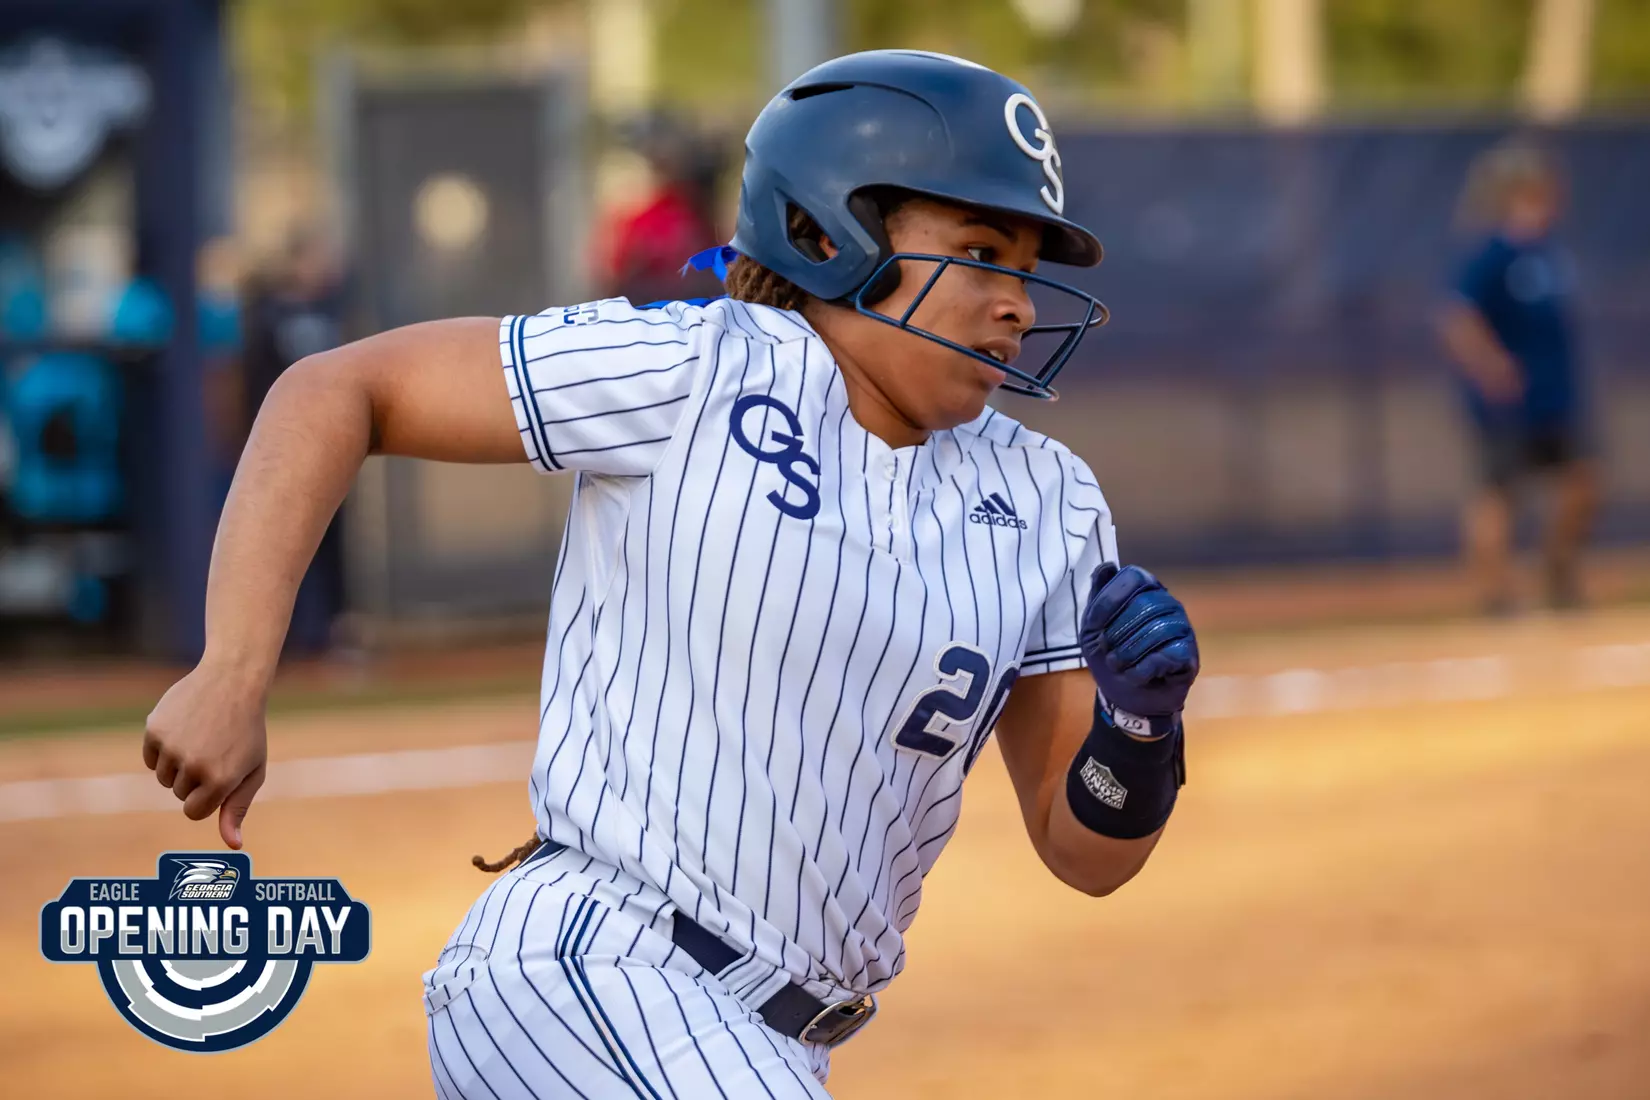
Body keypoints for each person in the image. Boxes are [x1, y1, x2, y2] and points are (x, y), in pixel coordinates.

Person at [141, 51, 1200, 1096]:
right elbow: (336, 389)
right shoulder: (700, 368)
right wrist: (232, 668)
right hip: (590, 971)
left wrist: (1141, 729)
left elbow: (1087, 850)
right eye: (980, 250)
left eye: (1025, 266)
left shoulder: (1047, 497)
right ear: (829, 232)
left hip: (775, 1038)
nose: (1016, 300)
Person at [1440, 140, 1595, 613]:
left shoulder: (1550, 254)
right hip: (1508, 401)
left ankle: (1556, 573)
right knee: (1498, 494)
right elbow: (1456, 317)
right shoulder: (1493, 254)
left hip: (1554, 396)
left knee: (1583, 482)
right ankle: (1493, 595)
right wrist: (1491, 365)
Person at [237, 223, 348, 653]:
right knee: (279, 543)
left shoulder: (331, 311)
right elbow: (249, 385)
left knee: (331, 541)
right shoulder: (267, 313)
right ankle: (276, 642)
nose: (322, 267)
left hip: (331, 448)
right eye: (314, 256)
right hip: (282, 449)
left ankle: (334, 631)